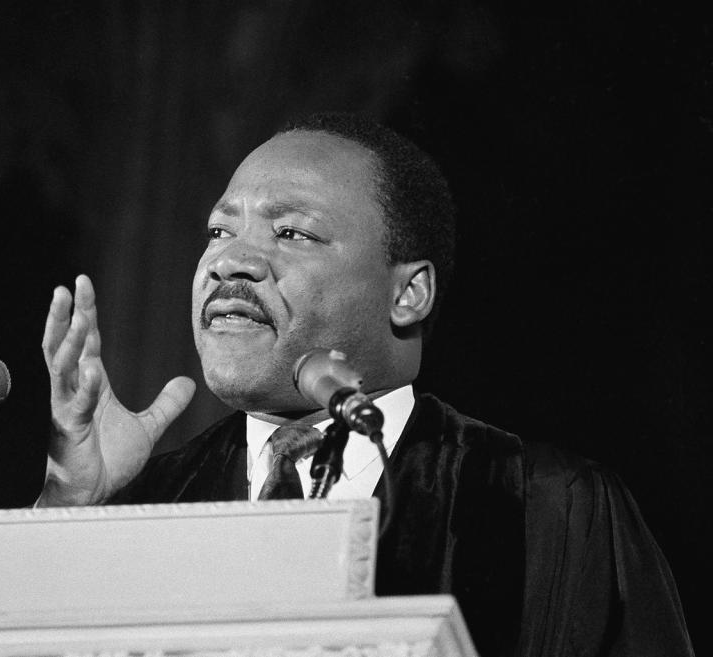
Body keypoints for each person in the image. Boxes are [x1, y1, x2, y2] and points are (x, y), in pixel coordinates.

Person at [34, 113, 693, 657]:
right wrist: (69, 509)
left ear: (408, 293)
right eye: (219, 230)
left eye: (292, 232)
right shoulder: (144, 506)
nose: (229, 260)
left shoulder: (541, 507)